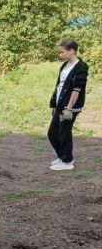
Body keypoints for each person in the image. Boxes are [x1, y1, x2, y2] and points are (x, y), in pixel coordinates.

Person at [48, 39, 88, 171]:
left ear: (72, 51)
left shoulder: (81, 67)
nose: (60, 54)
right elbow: (60, 86)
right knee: (53, 133)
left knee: (64, 132)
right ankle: (62, 157)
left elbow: (77, 89)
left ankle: (67, 162)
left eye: (62, 52)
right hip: (61, 104)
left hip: (69, 107)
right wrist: (55, 105)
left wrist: (69, 108)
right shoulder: (65, 65)